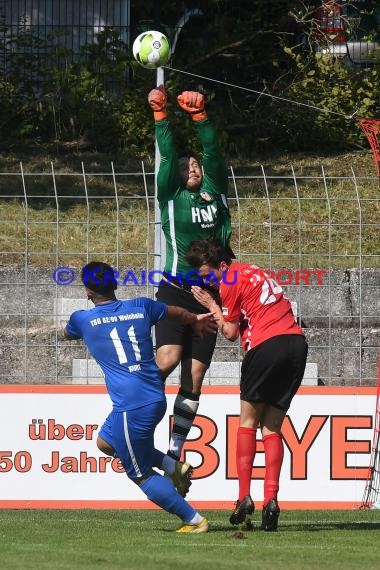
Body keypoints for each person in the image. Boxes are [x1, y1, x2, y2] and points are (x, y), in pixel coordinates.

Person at [63, 261, 217, 533]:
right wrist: (194, 320)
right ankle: (172, 466)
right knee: (105, 443)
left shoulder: (81, 319)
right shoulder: (142, 306)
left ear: (87, 291)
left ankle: (194, 521)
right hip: (154, 397)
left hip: (130, 406)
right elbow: (176, 312)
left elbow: (67, 333)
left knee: (140, 473)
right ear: (115, 284)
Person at [185, 238, 308, 532]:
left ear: (222, 266)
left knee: (247, 423)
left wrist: (212, 304)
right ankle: (272, 501)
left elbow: (229, 331)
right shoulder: (253, 271)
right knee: (273, 427)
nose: (206, 281)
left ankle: (243, 498)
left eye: (208, 275)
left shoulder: (229, 280)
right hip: (296, 345)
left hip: (266, 346)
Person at [148, 84, 233, 461]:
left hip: (212, 293)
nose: (193, 167)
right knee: (166, 359)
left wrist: (201, 118)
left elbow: (214, 152)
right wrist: (162, 117)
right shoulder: (170, 195)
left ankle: (173, 452)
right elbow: (166, 157)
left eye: (195, 164)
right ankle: (133, 416)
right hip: (174, 290)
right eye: (186, 166)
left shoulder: (215, 190)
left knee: (194, 378)